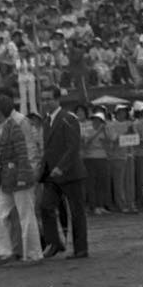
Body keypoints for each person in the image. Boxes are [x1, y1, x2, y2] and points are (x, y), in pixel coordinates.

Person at [0, 91, 42, 266]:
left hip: (19, 177)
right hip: (8, 178)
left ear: (0, 111)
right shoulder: (0, 127)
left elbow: (24, 153)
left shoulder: (15, 125)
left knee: (25, 216)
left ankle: (33, 254)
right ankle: (4, 251)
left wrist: (24, 176)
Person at [39, 85, 89, 259]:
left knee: (76, 212)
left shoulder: (68, 118)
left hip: (71, 173)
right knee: (45, 207)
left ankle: (81, 249)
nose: (46, 102)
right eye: (44, 99)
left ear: (57, 99)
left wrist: (61, 167)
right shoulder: (46, 121)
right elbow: (48, 150)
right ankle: (55, 243)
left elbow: (73, 147)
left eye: (49, 99)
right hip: (52, 174)